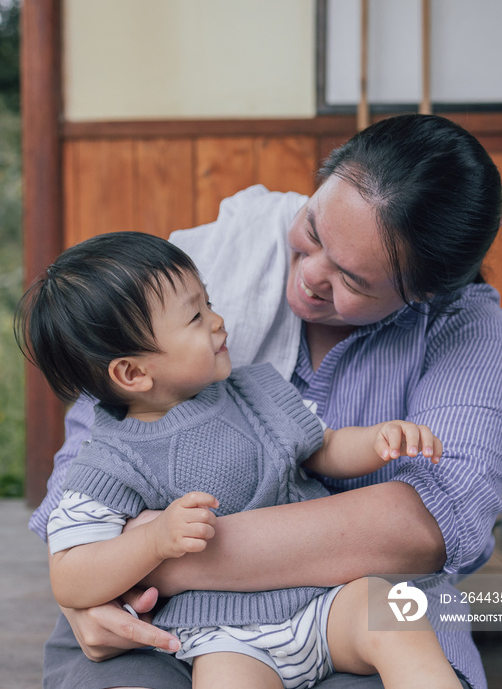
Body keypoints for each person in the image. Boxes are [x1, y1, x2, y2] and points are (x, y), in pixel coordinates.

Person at [28, 114, 502, 689]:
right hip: (184, 619)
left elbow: (430, 522)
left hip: (363, 593)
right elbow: (91, 453)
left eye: (354, 281)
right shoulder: (194, 263)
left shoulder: (461, 326)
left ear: (423, 293)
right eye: (312, 230)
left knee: (400, 631)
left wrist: (149, 554)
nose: (310, 276)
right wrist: (88, 589)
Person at [16, 230, 457, 689]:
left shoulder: (255, 391)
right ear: (132, 373)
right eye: (194, 316)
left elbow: (324, 447)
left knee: (389, 611)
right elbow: (70, 575)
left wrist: (378, 440)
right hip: (224, 639)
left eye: (208, 303)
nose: (217, 321)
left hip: (325, 604)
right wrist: (153, 541)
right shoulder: (109, 462)